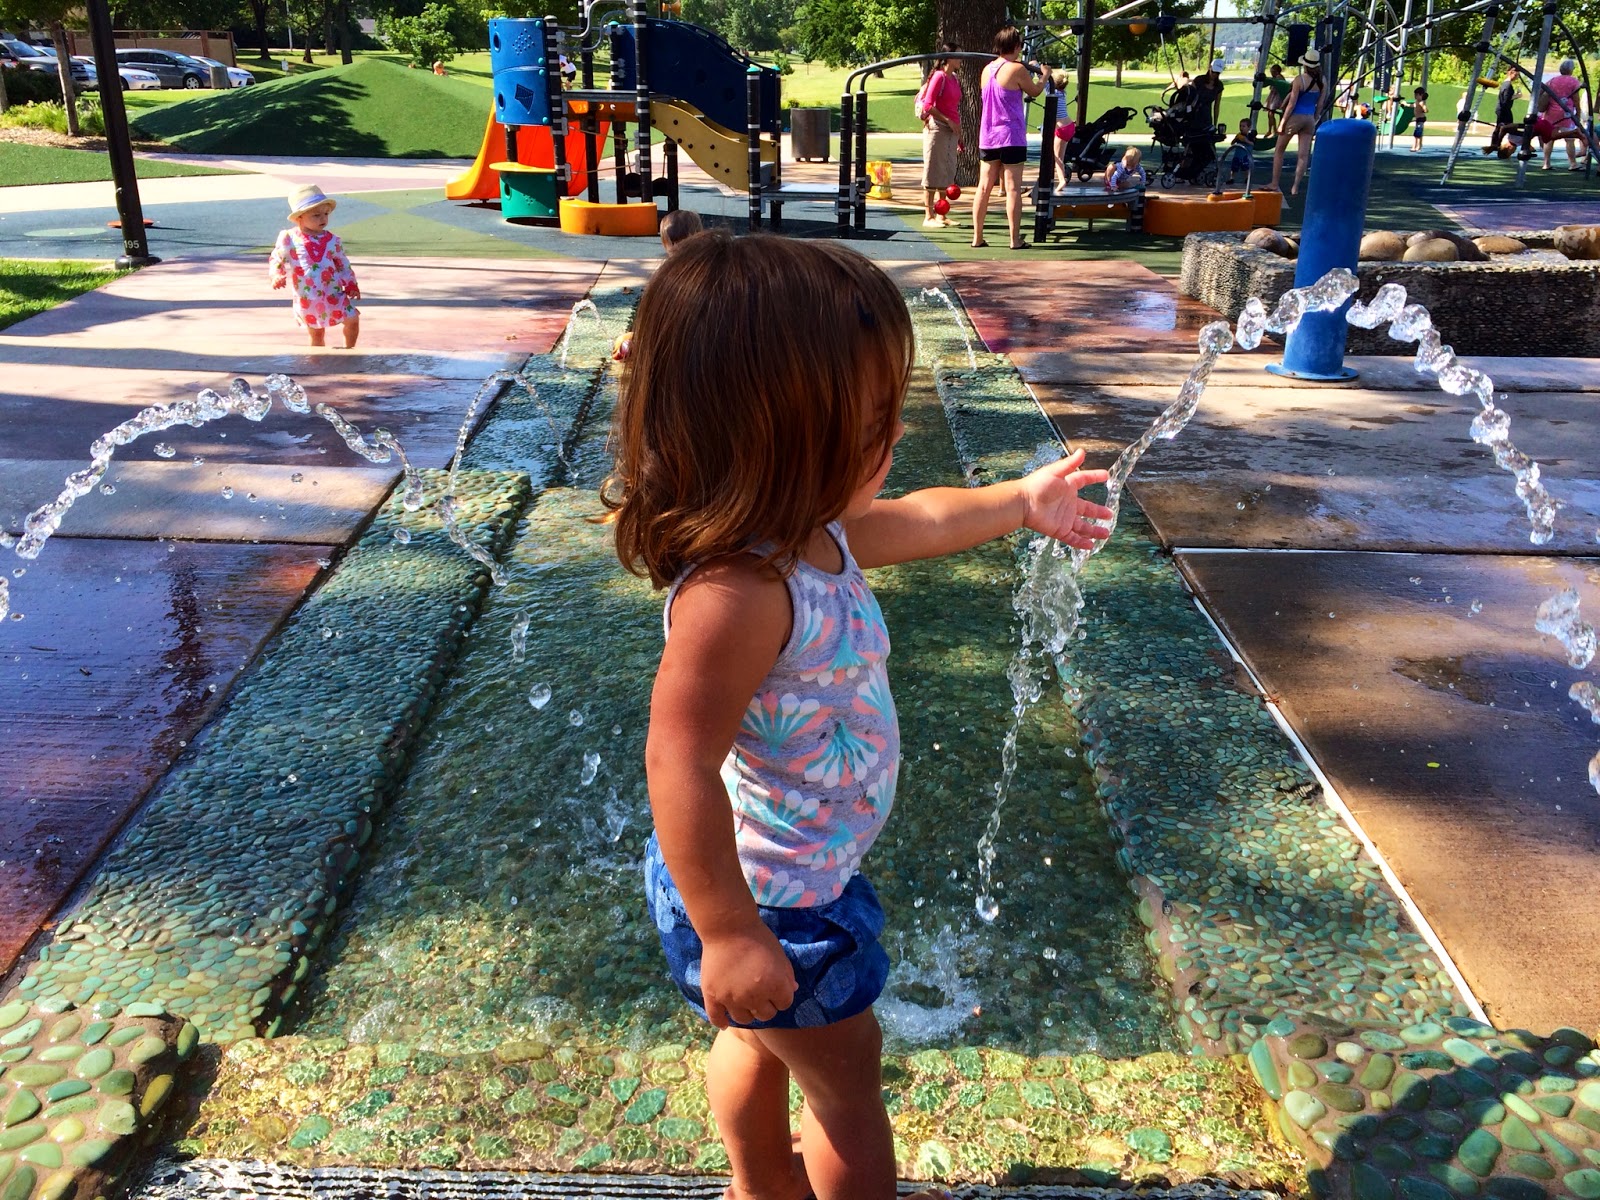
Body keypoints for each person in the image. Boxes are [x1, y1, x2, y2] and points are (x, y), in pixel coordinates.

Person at [603, 231, 1112, 1200]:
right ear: (779, 435)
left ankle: (761, 1187)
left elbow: (925, 517)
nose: (897, 438)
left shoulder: (811, 535)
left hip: (784, 880)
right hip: (774, 903)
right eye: (875, 422)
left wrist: (1020, 501)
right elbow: (676, 761)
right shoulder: (739, 595)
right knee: (845, 1089)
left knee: (757, 1042)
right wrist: (730, 932)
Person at [970, 24, 1045, 250]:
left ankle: (977, 237)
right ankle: (1014, 239)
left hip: (988, 136)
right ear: (1016, 46)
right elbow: (1035, 91)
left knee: (984, 187)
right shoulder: (1016, 69)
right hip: (1011, 136)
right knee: (1013, 188)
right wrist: (1044, 76)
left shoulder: (987, 70)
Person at [268, 184, 359, 349]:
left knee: (352, 319)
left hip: (333, 292)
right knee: (317, 333)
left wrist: (351, 283)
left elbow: (342, 263)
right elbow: (276, 258)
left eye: (326, 214)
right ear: (299, 218)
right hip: (308, 296)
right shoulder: (289, 238)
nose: (323, 219)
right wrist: (276, 274)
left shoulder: (332, 240)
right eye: (316, 215)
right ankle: (318, 358)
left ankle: (350, 350)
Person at [611, 209, 704, 361]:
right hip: (696, 340)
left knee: (626, 344)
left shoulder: (667, 276)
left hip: (675, 342)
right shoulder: (706, 267)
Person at [917, 43, 962, 228]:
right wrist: (947, 120)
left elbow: (953, 107)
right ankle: (928, 216)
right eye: (958, 55)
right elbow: (928, 105)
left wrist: (958, 133)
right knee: (933, 171)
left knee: (946, 173)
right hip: (937, 129)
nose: (961, 59)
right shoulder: (939, 76)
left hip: (951, 131)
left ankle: (941, 214)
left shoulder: (954, 78)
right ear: (949, 57)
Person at [1268, 49, 1325, 195]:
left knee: (1279, 150)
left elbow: (1291, 104)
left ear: (1305, 64)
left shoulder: (1300, 80)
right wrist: (1315, 118)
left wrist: (1282, 123)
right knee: (1303, 155)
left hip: (1295, 117)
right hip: (1309, 118)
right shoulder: (1322, 80)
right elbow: (1320, 104)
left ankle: (1274, 183)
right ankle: (1295, 186)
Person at [1539, 59, 1586, 170]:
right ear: (1571, 70)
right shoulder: (1573, 81)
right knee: (1569, 138)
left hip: (1551, 113)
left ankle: (1546, 163)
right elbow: (1576, 99)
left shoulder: (1552, 80)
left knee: (1550, 137)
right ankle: (1573, 163)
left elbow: (1541, 91)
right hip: (1566, 113)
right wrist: (1578, 113)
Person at [1485, 65, 1522, 155]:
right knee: (1507, 128)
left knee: (1500, 128)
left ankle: (1495, 145)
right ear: (1511, 73)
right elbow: (1505, 100)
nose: (1517, 77)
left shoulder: (1505, 84)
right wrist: (1517, 96)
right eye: (1516, 75)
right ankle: (1496, 145)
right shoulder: (1507, 85)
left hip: (1502, 109)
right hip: (1504, 110)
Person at [1223, 119, 1256, 186]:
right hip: (1237, 155)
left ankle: (1247, 178)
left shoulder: (1250, 136)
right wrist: (1236, 138)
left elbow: (1252, 144)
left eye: (1243, 126)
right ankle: (1232, 178)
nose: (1241, 128)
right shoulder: (1239, 135)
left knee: (1246, 168)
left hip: (1245, 155)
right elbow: (1232, 143)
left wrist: (1246, 140)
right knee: (1234, 168)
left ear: (1249, 127)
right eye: (1240, 126)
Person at [1264, 64, 1291, 136]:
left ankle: (1275, 130)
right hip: (1274, 96)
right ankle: (1272, 130)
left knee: (1272, 112)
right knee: (1271, 113)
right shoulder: (1275, 78)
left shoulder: (1279, 78)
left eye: (1272, 71)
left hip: (1278, 96)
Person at [1411, 87, 1428, 152]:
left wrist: (1424, 110)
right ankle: (1417, 146)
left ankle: (1417, 146)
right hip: (1418, 119)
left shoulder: (1421, 102)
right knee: (1417, 133)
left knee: (1418, 133)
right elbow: (1413, 105)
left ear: (1421, 95)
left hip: (1421, 119)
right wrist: (1406, 104)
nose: (1415, 96)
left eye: (1416, 95)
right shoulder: (1417, 102)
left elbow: (1425, 109)